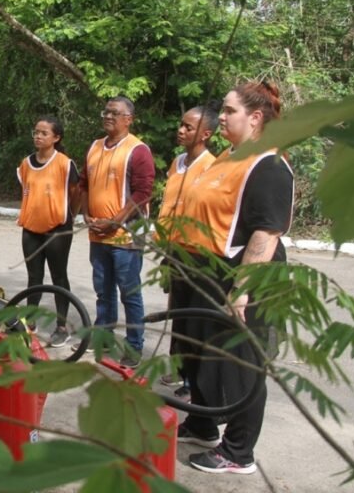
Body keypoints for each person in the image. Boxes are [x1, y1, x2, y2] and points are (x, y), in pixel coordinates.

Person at [172, 81, 294, 475]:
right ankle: (204, 424)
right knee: (202, 355)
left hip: (245, 275)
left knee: (242, 364)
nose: (220, 117)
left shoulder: (269, 164)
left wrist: (241, 290)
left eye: (228, 111)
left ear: (255, 118)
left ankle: (239, 451)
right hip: (206, 271)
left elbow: (266, 232)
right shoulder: (229, 155)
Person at [78, 96, 155, 367]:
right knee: (103, 290)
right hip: (97, 233)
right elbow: (84, 184)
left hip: (125, 236)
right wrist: (86, 214)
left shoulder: (137, 150)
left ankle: (134, 347)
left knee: (129, 293)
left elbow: (142, 194)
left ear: (129, 119)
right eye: (106, 112)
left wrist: (115, 221)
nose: (108, 116)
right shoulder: (95, 147)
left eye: (115, 113)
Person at [154, 102, 219, 398]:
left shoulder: (213, 167)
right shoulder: (178, 162)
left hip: (196, 254)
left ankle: (194, 380)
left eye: (188, 127)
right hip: (172, 251)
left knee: (194, 322)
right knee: (178, 317)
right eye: (181, 125)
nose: (180, 130)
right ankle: (180, 370)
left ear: (205, 134)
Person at [16, 115, 80, 347]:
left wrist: (67, 216)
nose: (38, 136)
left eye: (44, 133)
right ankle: (29, 321)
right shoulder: (26, 163)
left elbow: (76, 192)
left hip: (57, 229)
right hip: (31, 228)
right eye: (36, 131)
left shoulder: (64, 163)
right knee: (34, 277)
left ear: (56, 137)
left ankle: (61, 326)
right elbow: (26, 190)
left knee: (58, 276)